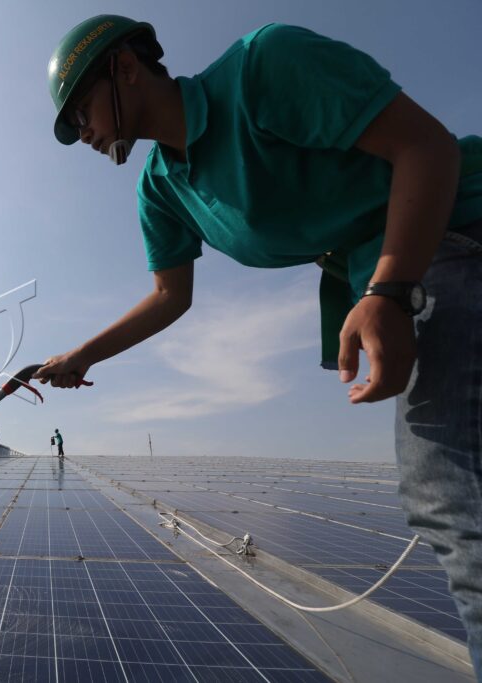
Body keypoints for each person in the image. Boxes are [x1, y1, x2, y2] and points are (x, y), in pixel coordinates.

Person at [34, 15, 482, 675]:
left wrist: (387, 292)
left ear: (127, 67)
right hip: (408, 268)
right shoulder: (162, 188)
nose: (83, 133)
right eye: (72, 128)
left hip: (459, 229)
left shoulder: (263, 69)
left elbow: (428, 149)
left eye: (81, 109)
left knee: (449, 496)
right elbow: (170, 296)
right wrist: (81, 357)